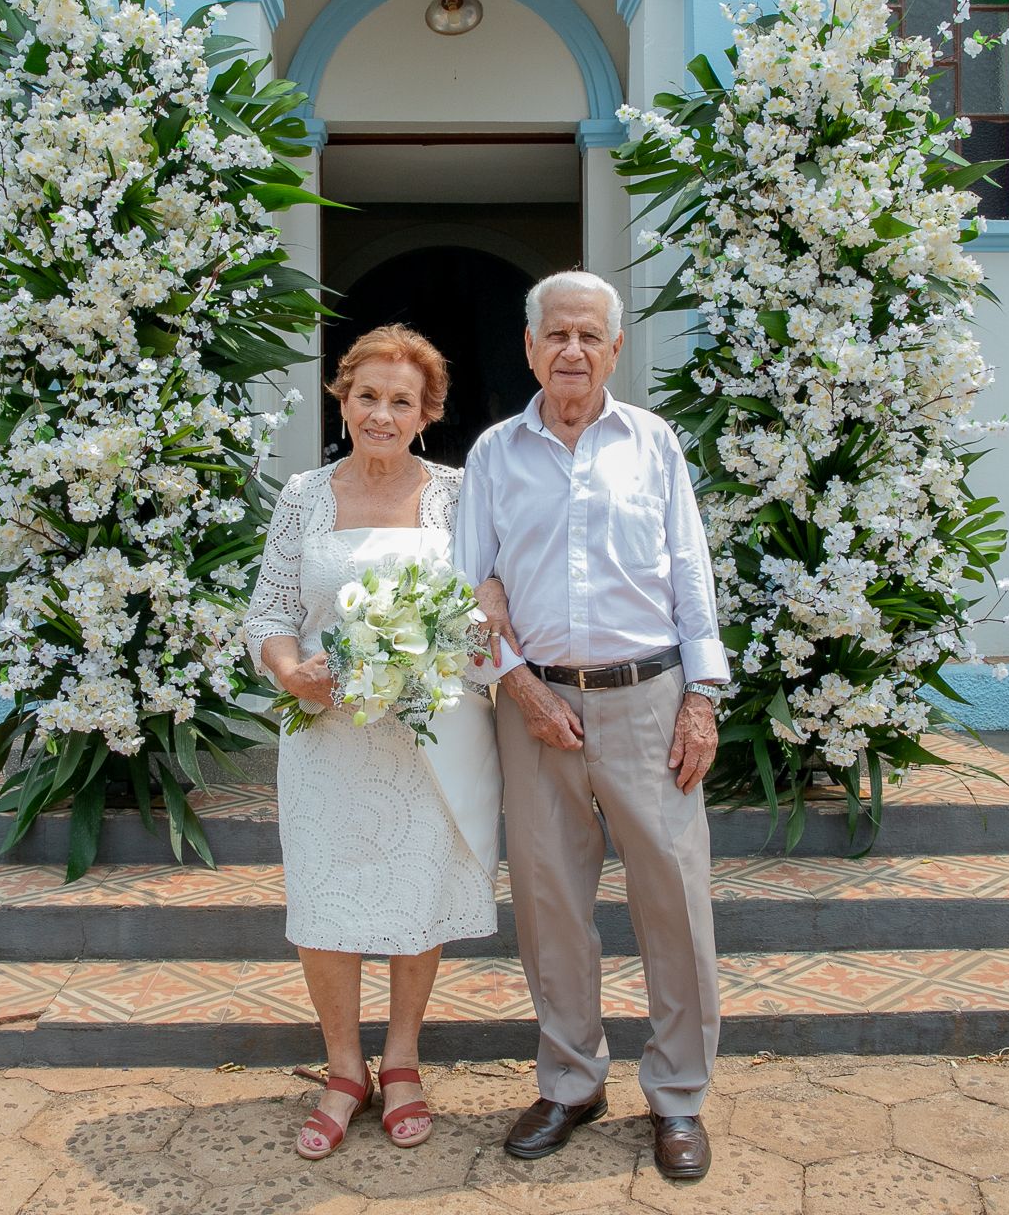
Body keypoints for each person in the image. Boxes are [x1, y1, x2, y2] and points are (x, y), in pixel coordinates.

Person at [455, 269, 729, 1182]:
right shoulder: (494, 454)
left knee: (675, 900)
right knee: (549, 903)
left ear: (615, 350)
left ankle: (679, 1095)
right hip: (535, 707)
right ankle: (572, 1082)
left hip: (650, 697)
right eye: (555, 336)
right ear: (530, 348)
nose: (572, 351)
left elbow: (691, 578)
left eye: (590, 337)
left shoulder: (654, 445)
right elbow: (469, 595)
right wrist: (520, 687)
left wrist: (702, 696)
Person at [245, 324, 503, 1160]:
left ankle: (401, 1062)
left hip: (427, 735)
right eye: (367, 397)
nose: (382, 415)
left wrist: (448, 646)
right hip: (327, 735)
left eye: (403, 401)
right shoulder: (303, 497)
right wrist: (290, 673)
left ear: (428, 412)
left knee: (414, 889)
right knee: (325, 897)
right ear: (342, 398)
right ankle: (343, 1069)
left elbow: (486, 609)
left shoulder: (459, 496)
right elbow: (271, 614)